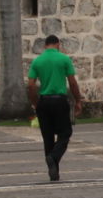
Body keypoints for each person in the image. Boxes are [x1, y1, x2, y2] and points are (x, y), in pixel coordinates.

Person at [26, 33, 83, 182]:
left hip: (44, 101)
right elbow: (72, 83)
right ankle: (54, 157)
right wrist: (78, 100)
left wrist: (35, 102)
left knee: (48, 137)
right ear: (58, 45)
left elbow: (31, 85)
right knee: (65, 133)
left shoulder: (37, 61)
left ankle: (53, 171)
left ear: (45, 46)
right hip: (59, 100)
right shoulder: (64, 59)